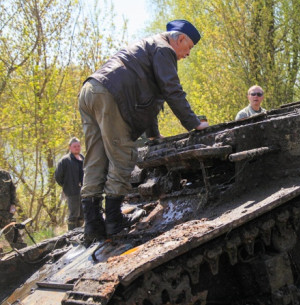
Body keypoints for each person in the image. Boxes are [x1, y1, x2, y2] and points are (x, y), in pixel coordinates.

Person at [78, 19, 209, 242]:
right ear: (180, 39)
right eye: (189, 48)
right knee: (123, 156)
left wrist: (153, 135)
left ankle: (92, 224)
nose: (187, 55)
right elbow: (171, 90)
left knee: (95, 158)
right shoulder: (164, 49)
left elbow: (151, 100)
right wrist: (193, 123)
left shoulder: (149, 46)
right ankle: (114, 223)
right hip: (112, 94)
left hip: (90, 90)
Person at [55, 137, 85, 230]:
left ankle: (79, 233)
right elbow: (58, 176)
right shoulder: (65, 160)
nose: (77, 148)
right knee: (73, 215)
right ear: (70, 147)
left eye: (78, 146)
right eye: (74, 146)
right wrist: (66, 187)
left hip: (84, 191)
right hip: (72, 191)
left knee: (82, 215)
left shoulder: (83, 158)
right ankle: (71, 235)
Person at [0, 169, 26, 250]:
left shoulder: (5, 174)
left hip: (6, 214)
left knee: (17, 240)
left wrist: (13, 204)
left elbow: (12, 190)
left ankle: (25, 258)